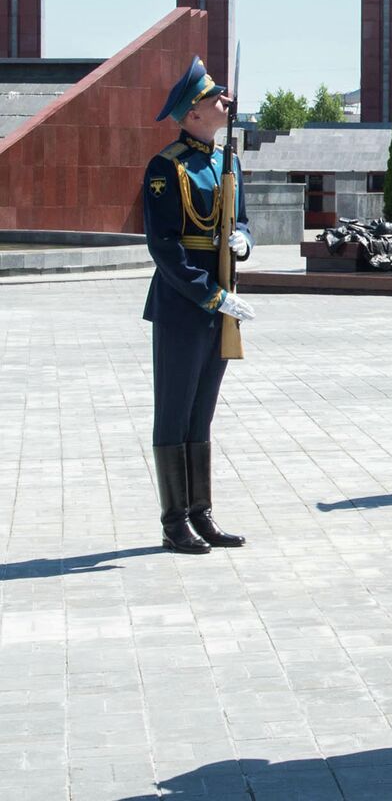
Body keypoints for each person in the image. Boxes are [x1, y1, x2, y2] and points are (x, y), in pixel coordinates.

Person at [142, 57, 254, 555]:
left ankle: (200, 513)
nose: (224, 103)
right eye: (215, 99)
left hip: (220, 302)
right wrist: (210, 294)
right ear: (192, 113)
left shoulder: (227, 162)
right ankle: (173, 521)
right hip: (184, 304)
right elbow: (164, 246)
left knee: (201, 413)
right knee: (174, 411)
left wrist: (244, 242)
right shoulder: (166, 167)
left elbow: (242, 221)